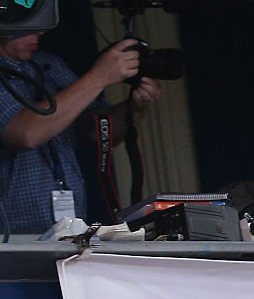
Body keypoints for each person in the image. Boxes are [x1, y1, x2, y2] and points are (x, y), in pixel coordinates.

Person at [0, 32, 160, 233]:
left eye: (40, 25)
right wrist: (99, 76)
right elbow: (25, 133)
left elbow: (99, 133)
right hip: (9, 238)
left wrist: (134, 107)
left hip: (71, 228)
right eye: (29, 25)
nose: (38, 32)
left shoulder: (51, 65)